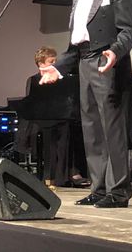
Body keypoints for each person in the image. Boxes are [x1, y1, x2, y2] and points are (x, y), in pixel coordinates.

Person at [39, 0, 132, 208]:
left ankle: (118, 192)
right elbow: (76, 42)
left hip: (106, 62)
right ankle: (99, 188)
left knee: (112, 129)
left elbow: (128, 30)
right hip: (84, 62)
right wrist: (57, 67)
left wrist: (115, 51)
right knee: (92, 129)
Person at [14, 46, 89, 187]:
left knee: (70, 132)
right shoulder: (34, 79)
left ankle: (65, 175)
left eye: (55, 61)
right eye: (51, 61)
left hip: (59, 116)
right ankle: (54, 175)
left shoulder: (61, 78)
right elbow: (32, 103)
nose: (55, 64)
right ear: (40, 64)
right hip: (41, 119)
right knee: (55, 135)